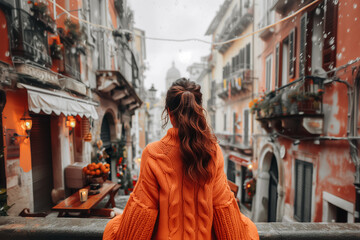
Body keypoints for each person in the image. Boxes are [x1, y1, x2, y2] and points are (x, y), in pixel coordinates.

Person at [103, 78, 259, 240]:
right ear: (198, 110)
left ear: (169, 113)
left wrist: (115, 226)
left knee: (112, 227)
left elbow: (141, 214)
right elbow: (224, 209)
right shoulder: (213, 151)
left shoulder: (153, 153)